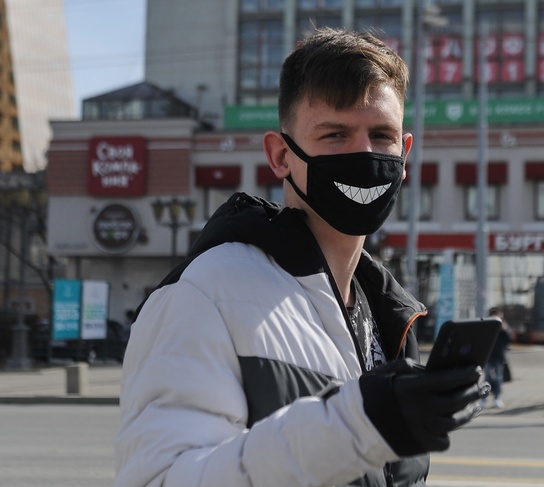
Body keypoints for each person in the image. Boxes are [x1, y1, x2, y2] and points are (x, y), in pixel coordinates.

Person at [115, 28, 487, 487]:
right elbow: (162, 479)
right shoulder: (205, 294)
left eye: (381, 135)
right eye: (335, 135)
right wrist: (361, 425)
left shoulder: (387, 313)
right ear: (280, 156)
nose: (364, 154)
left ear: (404, 154)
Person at [485, 306, 512, 409]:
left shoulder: (504, 326)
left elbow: (509, 340)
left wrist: (504, 329)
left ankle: (497, 398)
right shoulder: (486, 326)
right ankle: (484, 399)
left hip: (499, 356)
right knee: (487, 378)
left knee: (498, 378)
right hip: (488, 356)